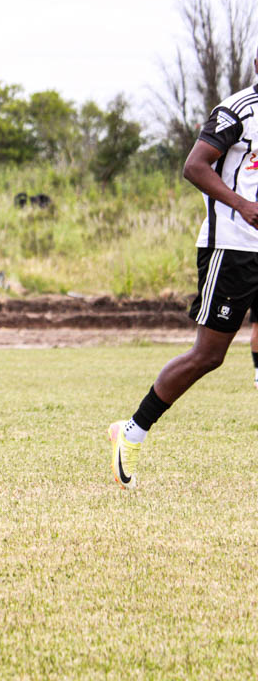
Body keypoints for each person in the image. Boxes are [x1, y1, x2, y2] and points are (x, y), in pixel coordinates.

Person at [109, 47, 258, 489]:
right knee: (208, 356)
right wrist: (242, 205)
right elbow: (194, 167)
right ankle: (131, 431)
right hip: (232, 247)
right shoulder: (236, 111)